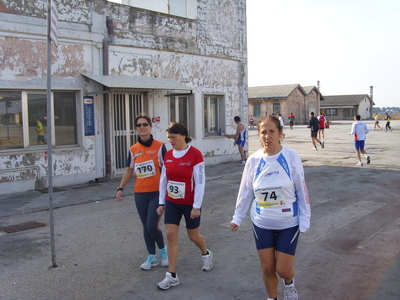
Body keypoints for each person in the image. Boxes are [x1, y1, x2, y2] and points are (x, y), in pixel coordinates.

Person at [230, 115, 311, 300]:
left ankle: (289, 284)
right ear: (259, 135)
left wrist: (305, 219)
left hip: (288, 223)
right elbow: (246, 191)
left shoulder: (291, 157)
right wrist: (238, 217)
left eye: (272, 131)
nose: (268, 136)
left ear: (280, 133)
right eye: (263, 132)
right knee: (267, 267)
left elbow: (302, 189)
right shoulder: (254, 160)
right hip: (262, 222)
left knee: (283, 270)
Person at [156, 122, 213, 290]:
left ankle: (206, 253)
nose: (171, 141)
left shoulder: (195, 154)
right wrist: (161, 203)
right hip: (172, 202)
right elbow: (163, 181)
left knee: (193, 236)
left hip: (190, 203)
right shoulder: (169, 155)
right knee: (171, 236)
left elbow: (200, 181)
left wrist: (196, 206)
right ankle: (171, 275)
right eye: (169, 138)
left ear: (182, 135)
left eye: (173, 137)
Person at [116, 114, 169, 270]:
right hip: (140, 193)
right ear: (136, 129)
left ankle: (163, 251)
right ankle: (152, 257)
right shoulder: (133, 149)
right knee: (145, 225)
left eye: (145, 124)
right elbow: (129, 170)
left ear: (150, 127)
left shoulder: (160, 146)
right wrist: (120, 188)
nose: (142, 127)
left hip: (156, 193)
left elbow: (167, 169)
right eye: (139, 125)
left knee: (152, 225)